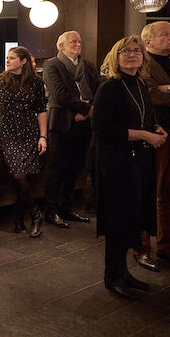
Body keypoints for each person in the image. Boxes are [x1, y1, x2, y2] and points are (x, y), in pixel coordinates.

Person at [93, 36, 166, 299]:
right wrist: (145, 135)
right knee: (118, 220)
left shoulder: (140, 83)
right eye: (126, 51)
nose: (133, 54)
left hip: (138, 161)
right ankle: (112, 276)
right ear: (116, 56)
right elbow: (102, 128)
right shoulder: (109, 87)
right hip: (116, 164)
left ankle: (123, 272)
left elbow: (143, 115)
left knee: (131, 219)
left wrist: (153, 127)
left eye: (137, 51)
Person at [0, 46, 48, 238]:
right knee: (18, 175)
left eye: (12, 58)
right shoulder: (0, 80)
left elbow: (41, 110)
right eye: (7, 58)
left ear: (23, 61)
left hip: (30, 132)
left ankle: (19, 219)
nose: (8, 60)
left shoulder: (36, 83)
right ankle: (36, 214)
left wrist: (43, 136)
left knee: (24, 178)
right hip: (8, 132)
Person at [42, 31, 99, 229]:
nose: (77, 44)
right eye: (73, 41)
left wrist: (87, 112)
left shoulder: (88, 65)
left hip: (84, 124)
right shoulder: (52, 65)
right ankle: (51, 211)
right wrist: (85, 109)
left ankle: (66, 207)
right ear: (61, 46)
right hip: (62, 123)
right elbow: (59, 93)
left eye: (79, 41)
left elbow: (98, 90)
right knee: (57, 169)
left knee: (75, 169)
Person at [140, 21, 170, 267]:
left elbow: (163, 94)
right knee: (148, 192)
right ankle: (142, 248)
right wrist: (162, 92)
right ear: (149, 41)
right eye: (165, 35)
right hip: (156, 136)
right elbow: (150, 95)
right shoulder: (143, 65)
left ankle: (168, 246)